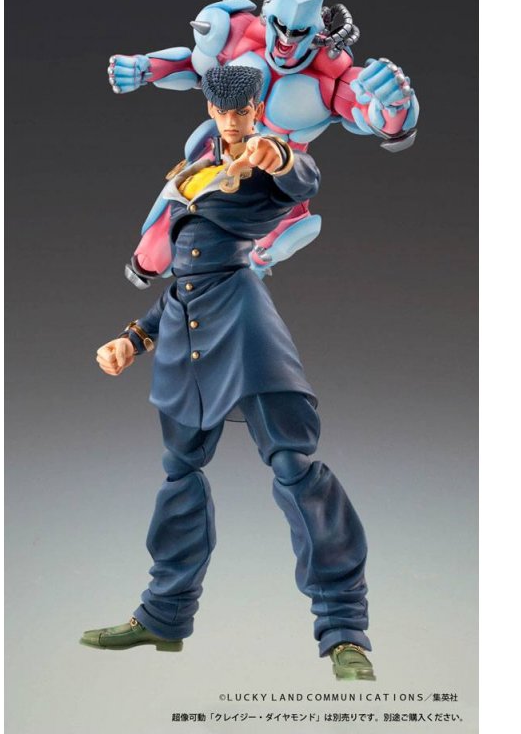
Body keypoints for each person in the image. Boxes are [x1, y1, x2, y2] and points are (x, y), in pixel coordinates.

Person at [81, 65, 374, 681]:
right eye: (223, 111)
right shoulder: (192, 173)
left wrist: (278, 155)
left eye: (243, 111)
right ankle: (164, 614)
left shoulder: (267, 160)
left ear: (256, 108)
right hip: (185, 340)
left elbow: (301, 178)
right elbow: (186, 278)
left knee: (294, 466)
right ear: (211, 111)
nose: (233, 121)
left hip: (243, 334)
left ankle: (345, 630)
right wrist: (134, 338)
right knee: (179, 475)